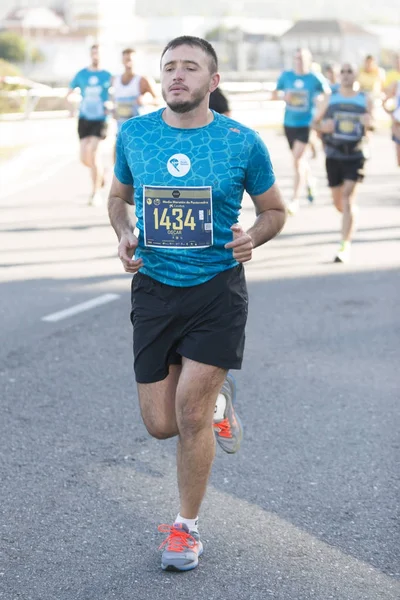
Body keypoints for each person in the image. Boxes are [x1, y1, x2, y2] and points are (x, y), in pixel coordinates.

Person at [108, 35, 286, 572]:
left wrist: (254, 235)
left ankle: (185, 527)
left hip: (217, 291)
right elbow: (117, 198)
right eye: (169, 68)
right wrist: (125, 232)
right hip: (155, 290)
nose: (177, 76)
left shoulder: (241, 141)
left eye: (190, 68)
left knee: (188, 416)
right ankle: (218, 404)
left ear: (213, 81)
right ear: (160, 78)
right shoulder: (134, 134)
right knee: (161, 424)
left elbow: (274, 210)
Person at [312, 63, 374, 263]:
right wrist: (324, 127)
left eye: (350, 71)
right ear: (339, 76)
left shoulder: (365, 99)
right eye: (343, 72)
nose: (346, 75)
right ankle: (350, 216)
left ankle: (344, 245)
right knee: (339, 202)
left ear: (357, 74)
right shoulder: (330, 98)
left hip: (356, 154)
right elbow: (314, 123)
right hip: (334, 154)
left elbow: (373, 125)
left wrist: (369, 122)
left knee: (347, 198)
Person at [273, 48, 331, 215]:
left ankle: (295, 200)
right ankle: (311, 181)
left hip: (306, 123)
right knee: (299, 160)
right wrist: (284, 96)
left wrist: (319, 115)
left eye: (303, 59)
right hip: (289, 123)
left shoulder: (314, 78)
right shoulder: (287, 76)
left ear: (309, 60)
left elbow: (328, 94)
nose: (300, 61)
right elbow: (274, 94)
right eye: (297, 58)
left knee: (297, 160)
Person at [67, 45, 112, 206]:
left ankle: (95, 194)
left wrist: (111, 105)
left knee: (93, 154)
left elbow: (115, 94)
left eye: (98, 53)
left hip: (100, 119)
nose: (96, 56)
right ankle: (100, 174)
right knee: (84, 158)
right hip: (84, 118)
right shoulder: (82, 74)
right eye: (93, 53)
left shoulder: (108, 75)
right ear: (90, 55)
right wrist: (71, 109)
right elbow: (69, 93)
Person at [113, 48, 159, 137]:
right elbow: (113, 102)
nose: (128, 63)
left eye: (130, 60)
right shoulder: (115, 79)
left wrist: (146, 100)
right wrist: (112, 110)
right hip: (121, 129)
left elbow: (158, 100)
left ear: (136, 61)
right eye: (126, 60)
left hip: (138, 130)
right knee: (116, 150)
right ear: (122, 61)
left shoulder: (143, 79)